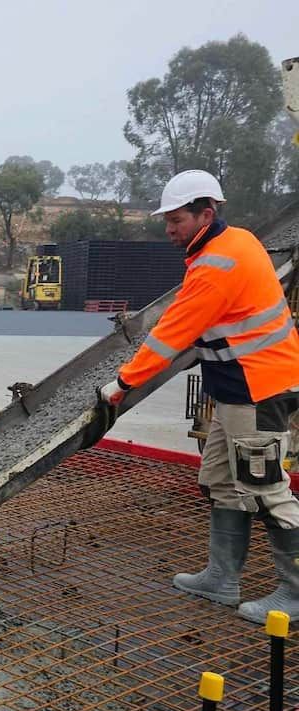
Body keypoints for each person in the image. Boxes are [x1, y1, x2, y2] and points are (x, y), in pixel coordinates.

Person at [100, 169, 299, 624]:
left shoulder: (217, 263)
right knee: (220, 480)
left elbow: (171, 336)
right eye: (167, 221)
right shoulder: (233, 244)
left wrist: (123, 383)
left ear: (206, 214)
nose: (169, 230)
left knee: (266, 490)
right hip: (239, 390)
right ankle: (221, 579)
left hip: (259, 389)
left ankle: (296, 590)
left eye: (177, 220)